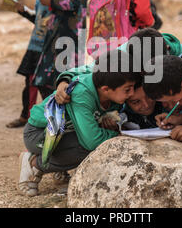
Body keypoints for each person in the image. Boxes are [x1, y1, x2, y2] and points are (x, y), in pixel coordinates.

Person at [18, 49, 142, 196]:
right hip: (37, 134)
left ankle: (58, 168)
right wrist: (119, 135)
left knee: (92, 137)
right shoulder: (82, 94)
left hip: (64, 133)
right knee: (91, 147)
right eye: (128, 89)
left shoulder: (109, 87)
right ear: (106, 89)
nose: (132, 93)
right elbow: (91, 141)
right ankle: (33, 163)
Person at [55, 28, 182, 104]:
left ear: (167, 54)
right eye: (142, 71)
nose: (147, 75)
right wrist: (64, 81)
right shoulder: (129, 52)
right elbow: (93, 69)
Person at [6, 0, 57, 128]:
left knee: (46, 86)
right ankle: (25, 116)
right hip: (34, 47)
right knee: (29, 84)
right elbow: (39, 21)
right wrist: (23, 12)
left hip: (47, 50)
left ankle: (51, 117)